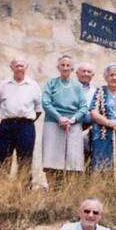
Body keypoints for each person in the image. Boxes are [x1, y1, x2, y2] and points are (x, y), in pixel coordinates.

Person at [41, 55, 89, 188]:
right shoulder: (51, 83)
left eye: (68, 66)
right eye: (63, 65)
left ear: (72, 68)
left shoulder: (78, 86)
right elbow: (45, 102)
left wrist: (73, 119)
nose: (65, 68)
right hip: (53, 123)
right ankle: (51, 189)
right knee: (51, 158)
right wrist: (59, 117)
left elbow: (84, 106)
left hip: (73, 124)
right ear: (58, 67)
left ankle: (68, 190)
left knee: (72, 159)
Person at [0, 57, 42, 181]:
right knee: (2, 158)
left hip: (26, 126)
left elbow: (38, 109)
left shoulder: (33, 85)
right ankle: (0, 188)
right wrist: (11, 117)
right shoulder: (3, 85)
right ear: (11, 67)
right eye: (16, 65)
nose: (19, 68)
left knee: (25, 159)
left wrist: (23, 120)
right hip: (6, 125)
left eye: (22, 65)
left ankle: (24, 191)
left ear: (26, 67)